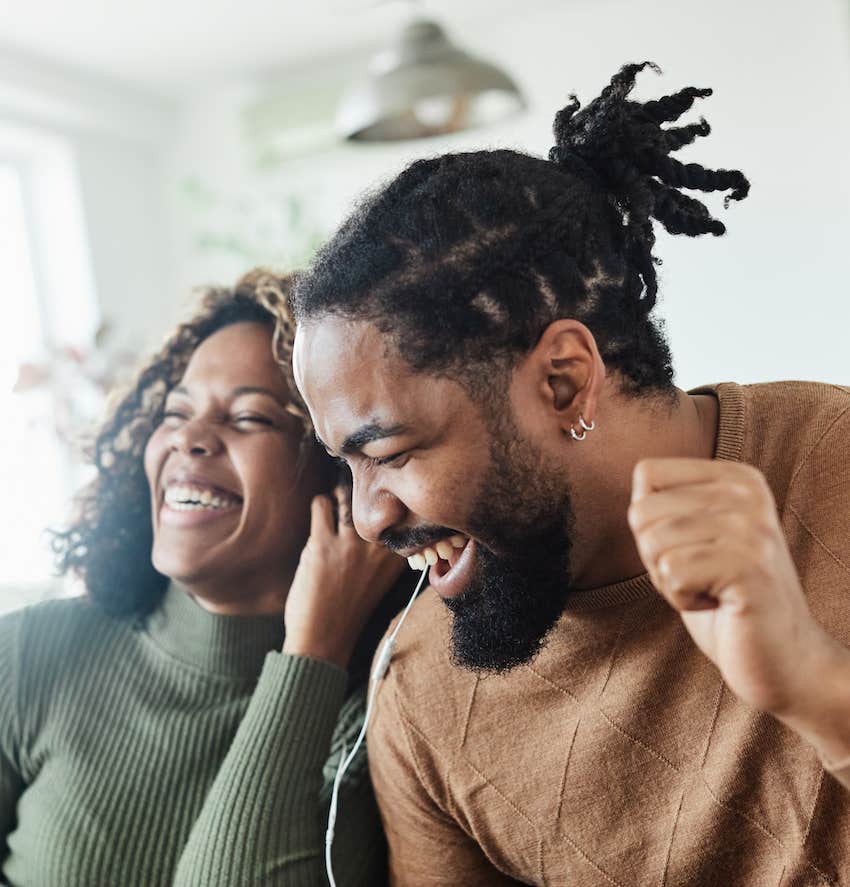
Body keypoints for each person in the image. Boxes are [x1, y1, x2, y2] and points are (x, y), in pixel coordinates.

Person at [290, 62, 850, 885]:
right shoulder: (423, 694)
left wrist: (814, 685)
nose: (369, 517)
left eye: (393, 451)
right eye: (348, 462)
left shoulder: (834, 460)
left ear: (563, 380)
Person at [0, 269, 409, 886]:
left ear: (340, 479)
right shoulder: (29, 655)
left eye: (249, 419)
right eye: (176, 411)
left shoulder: (375, 714)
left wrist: (312, 656)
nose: (189, 437)